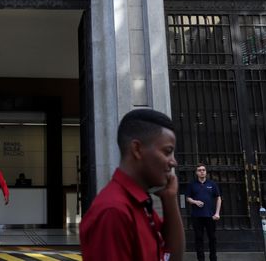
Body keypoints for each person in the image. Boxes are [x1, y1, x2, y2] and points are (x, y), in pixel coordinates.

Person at [80, 108, 184, 261]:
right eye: (167, 151)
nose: (173, 162)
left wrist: (170, 199)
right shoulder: (114, 211)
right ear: (137, 149)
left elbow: (171, 257)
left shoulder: (139, 204)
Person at [185, 163, 222, 261]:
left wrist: (217, 213)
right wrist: (195, 201)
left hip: (210, 216)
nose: (202, 172)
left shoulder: (212, 184)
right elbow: (188, 198)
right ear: (196, 172)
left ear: (206, 172)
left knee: (212, 238)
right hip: (197, 216)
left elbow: (218, 198)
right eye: (199, 170)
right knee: (198, 238)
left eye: (203, 170)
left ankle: (213, 258)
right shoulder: (192, 184)